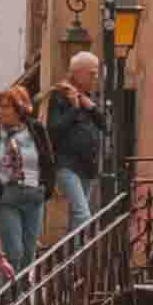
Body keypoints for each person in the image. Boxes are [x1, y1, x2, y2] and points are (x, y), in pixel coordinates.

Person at [0, 88, 52, 277]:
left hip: (34, 195)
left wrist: (45, 189)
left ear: (19, 108)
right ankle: (10, 299)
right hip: (7, 197)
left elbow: (48, 160)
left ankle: (22, 298)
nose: (1, 111)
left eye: (6, 107)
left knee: (28, 254)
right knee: (14, 252)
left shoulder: (36, 128)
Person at [43, 49, 106, 235]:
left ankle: (72, 260)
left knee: (76, 218)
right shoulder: (60, 95)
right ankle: (80, 258)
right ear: (77, 72)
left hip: (87, 166)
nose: (95, 78)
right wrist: (75, 108)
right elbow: (54, 129)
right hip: (67, 164)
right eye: (92, 73)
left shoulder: (89, 97)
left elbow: (104, 124)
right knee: (83, 214)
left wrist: (91, 106)